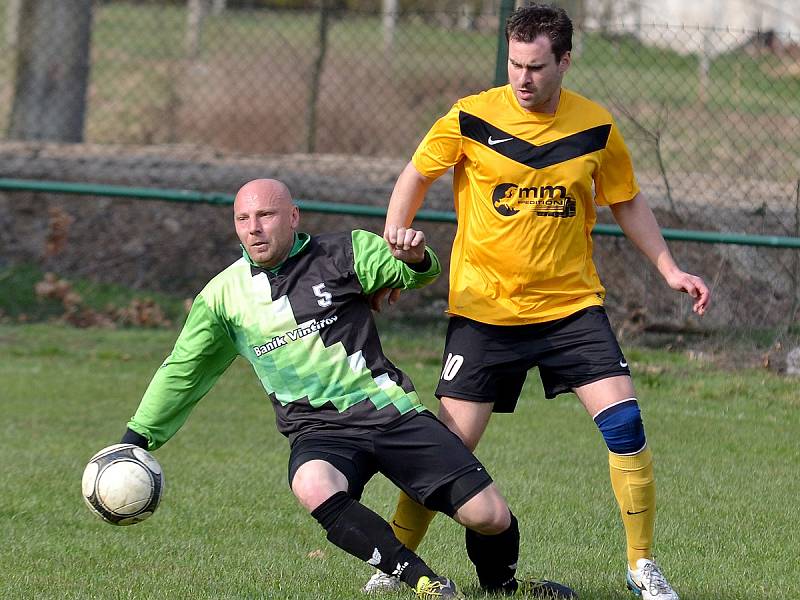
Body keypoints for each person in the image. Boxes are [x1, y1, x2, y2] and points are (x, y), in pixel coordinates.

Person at [365, 5, 711, 600]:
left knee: (625, 423)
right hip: (484, 311)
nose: (523, 79)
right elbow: (416, 175)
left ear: (565, 63)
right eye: (514, 64)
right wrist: (395, 241)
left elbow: (626, 201)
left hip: (571, 308)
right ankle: (396, 561)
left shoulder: (595, 126)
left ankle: (641, 566)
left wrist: (669, 268)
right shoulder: (471, 116)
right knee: (447, 448)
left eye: (537, 67)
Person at [117, 178, 577, 599]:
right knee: (312, 483)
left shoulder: (346, 252)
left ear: (293, 216)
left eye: (265, 216)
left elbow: (413, 273)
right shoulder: (222, 297)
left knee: (489, 516)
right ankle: (424, 582)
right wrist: (135, 439)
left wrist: (415, 258)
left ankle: (504, 587)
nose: (254, 229)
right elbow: (184, 370)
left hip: (388, 411)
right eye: (242, 219)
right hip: (317, 429)